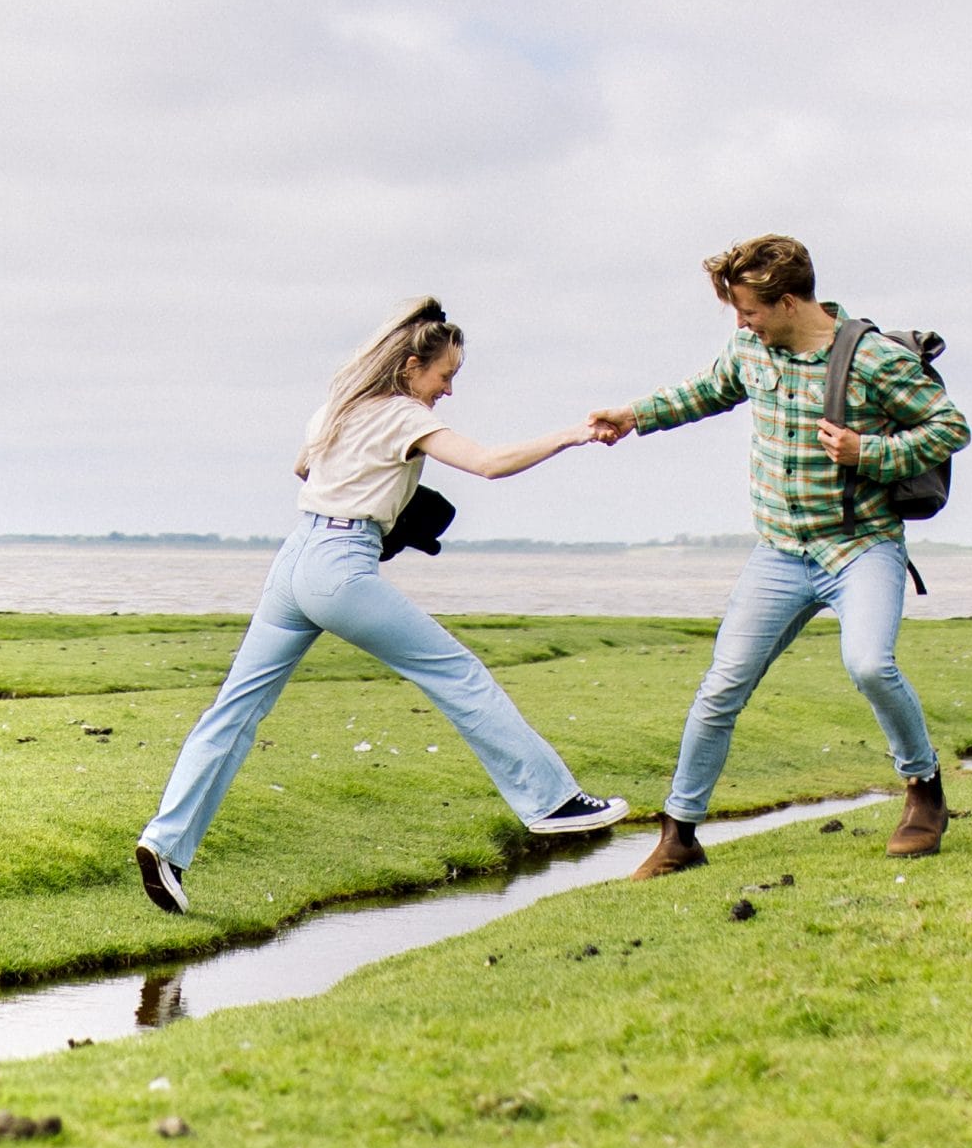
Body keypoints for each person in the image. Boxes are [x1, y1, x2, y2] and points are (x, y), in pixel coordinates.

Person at [136, 298, 627, 915]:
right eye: (444, 376)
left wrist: (376, 494)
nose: (448, 391)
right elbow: (490, 464)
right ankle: (551, 803)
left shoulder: (336, 408)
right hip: (341, 564)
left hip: (295, 558)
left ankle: (165, 843)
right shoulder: (402, 416)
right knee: (456, 673)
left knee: (234, 710)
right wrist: (573, 433)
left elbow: (302, 467)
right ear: (412, 367)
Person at [585, 234, 971, 875]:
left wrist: (866, 453)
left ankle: (924, 791)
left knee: (871, 665)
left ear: (789, 302)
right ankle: (679, 837)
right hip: (779, 553)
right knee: (721, 688)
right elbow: (705, 391)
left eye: (749, 311)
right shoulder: (749, 350)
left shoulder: (873, 359)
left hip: (861, 546)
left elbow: (950, 428)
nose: (741, 324)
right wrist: (633, 416)